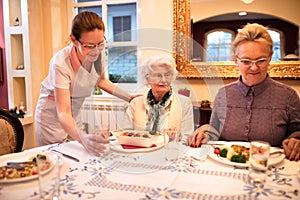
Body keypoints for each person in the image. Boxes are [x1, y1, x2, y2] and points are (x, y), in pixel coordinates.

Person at [186, 23, 300, 161]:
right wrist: (204, 132)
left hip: (267, 168)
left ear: (270, 58)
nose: (254, 67)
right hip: (226, 167)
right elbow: (215, 130)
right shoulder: (223, 94)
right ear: (236, 61)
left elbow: (296, 132)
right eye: (246, 61)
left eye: (261, 60)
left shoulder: (288, 96)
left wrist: (295, 141)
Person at [35, 11, 136, 156]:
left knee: (78, 156)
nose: (96, 51)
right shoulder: (60, 63)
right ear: (73, 39)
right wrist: (83, 138)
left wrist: (129, 97)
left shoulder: (98, 53)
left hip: (74, 114)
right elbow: (63, 112)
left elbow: (101, 81)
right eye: (89, 46)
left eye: (100, 44)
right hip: (52, 118)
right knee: (56, 159)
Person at [121, 54, 194, 139]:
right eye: (158, 75)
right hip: (140, 150)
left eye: (167, 75)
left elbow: (187, 137)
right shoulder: (135, 103)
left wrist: (176, 137)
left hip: (170, 150)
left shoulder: (184, 103)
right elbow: (125, 134)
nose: (163, 80)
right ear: (147, 78)